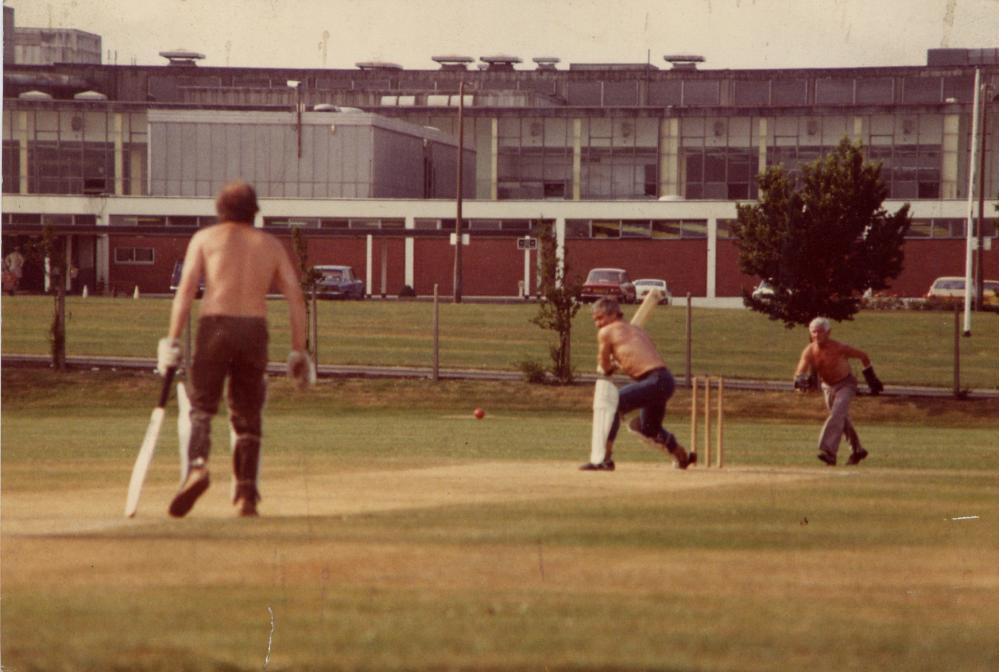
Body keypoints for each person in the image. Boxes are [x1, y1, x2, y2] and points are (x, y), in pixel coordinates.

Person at [157, 180, 312, 517]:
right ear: (254, 211)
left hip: (215, 325)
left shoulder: (205, 239)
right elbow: (295, 297)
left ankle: (198, 466)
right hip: (253, 329)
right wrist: (298, 350)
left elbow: (185, 292)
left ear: (219, 209)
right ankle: (245, 494)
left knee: (201, 407)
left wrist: (172, 339)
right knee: (247, 414)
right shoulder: (269, 244)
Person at [580, 297, 692, 471]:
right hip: (665, 380)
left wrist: (610, 366)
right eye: (595, 319)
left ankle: (604, 458)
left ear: (614, 314)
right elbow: (635, 355)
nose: (597, 324)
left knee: (612, 404)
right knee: (649, 428)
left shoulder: (606, 332)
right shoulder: (635, 330)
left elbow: (604, 365)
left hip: (653, 380)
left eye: (600, 318)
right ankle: (681, 456)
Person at [793, 316, 883, 467]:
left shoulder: (839, 347)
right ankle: (857, 451)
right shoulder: (809, 350)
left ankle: (829, 452)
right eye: (814, 332)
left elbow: (863, 356)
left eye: (820, 332)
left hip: (846, 384)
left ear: (828, 333)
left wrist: (871, 377)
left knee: (836, 414)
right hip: (827, 387)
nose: (816, 335)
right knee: (841, 419)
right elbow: (801, 367)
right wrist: (799, 379)